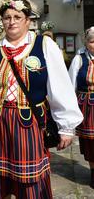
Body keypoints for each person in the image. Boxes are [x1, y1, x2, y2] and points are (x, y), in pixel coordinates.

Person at [0, 0, 83, 198]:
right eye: (7, 17)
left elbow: (60, 87)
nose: (12, 21)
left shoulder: (44, 46)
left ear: (28, 20)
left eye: (17, 16)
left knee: (30, 183)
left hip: (28, 124)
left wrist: (67, 127)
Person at [69, 26, 94, 189]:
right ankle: (93, 173)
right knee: (90, 142)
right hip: (88, 105)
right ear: (86, 42)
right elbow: (70, 85)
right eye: (92, 41)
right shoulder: (79, 59)